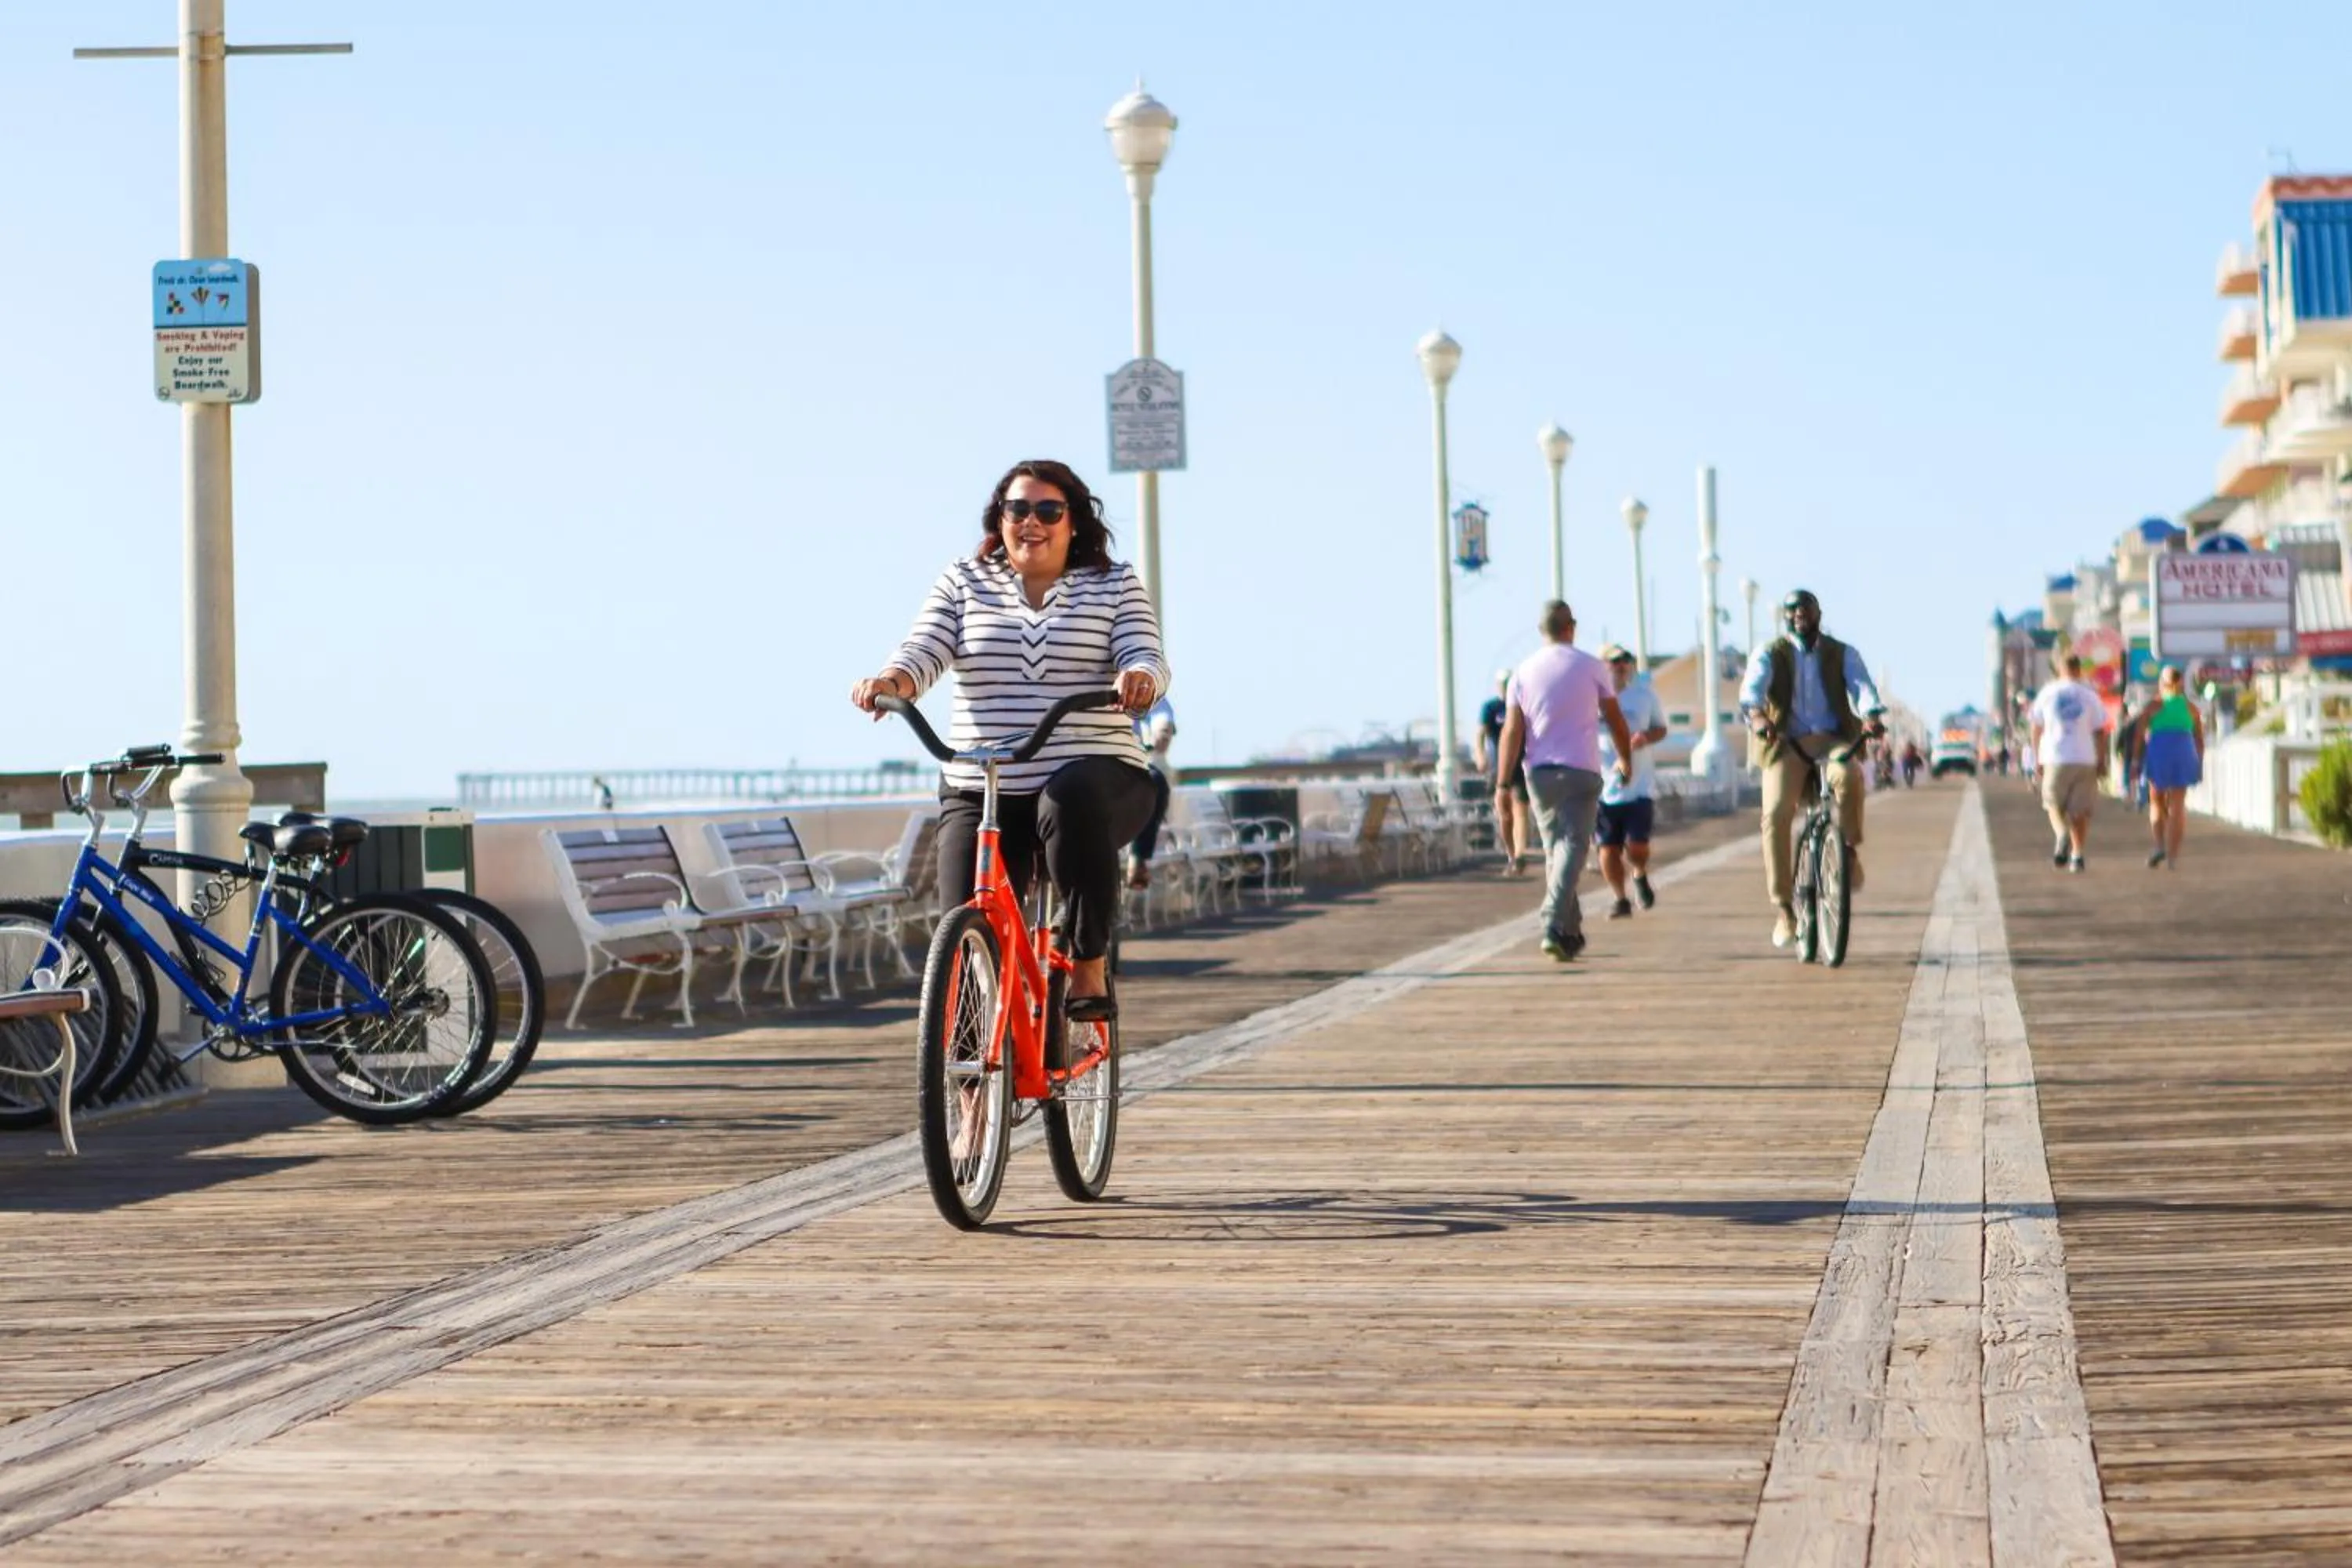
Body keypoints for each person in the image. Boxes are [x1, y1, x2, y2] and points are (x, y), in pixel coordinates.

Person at [851, 458, 1166, 1017]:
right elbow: (924, 649)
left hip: (1096, 775)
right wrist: (892, 682)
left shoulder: (1114, 584)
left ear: (1074, 521)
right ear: (999, 519)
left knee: (1069, 797)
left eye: (1048, 510)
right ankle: (972, 1064)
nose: (1031, 522)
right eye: (1017, 509)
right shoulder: (963, 581)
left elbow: (1145, 654)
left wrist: (1138, 677)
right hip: (984, 784)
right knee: (964, 930)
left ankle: (1088, 962)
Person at [1738, 589, 1886, 949]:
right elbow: (1752, 692)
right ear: (1785, 617)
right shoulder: (1771, 653)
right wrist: (1758, 717)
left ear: (1818, 614)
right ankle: (1784, 908)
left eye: (1805, 610)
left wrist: (1870, 715)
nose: (1799, 616)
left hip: (1832, 739)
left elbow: (1862, 687)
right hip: (1786, 743)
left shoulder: (1841, 652)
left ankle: (1847, 849)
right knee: (1775, 814)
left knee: (1849, 776)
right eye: (1792, 611)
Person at [1494, 602, 1635, 962]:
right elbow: (1615, 719)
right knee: (1572, 845)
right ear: (1571, 627)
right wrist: (1625, 758)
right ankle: (1553, 922)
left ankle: (1569, 934)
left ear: (1542, 631)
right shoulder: (1592, 666)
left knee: (1555, 849)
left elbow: (1512, 730)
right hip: (1582, 770)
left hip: (1539, 774)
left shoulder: (1522, 672)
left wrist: (1502, 783)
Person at [1594, 644, 1668, 920]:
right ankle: (1620, 898)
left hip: (1639, 786)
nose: (1621, 666)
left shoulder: (1644, 696)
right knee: (1608, 848)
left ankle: (1639, 872)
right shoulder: (1589, 699)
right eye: (1614, 662)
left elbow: (1661, 729)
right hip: (1603, 787)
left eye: (1625, 661)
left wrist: (1645, 737)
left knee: (1637, 845)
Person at [2028, 652, 2111, 873]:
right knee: (2080, 811)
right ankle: (2077, 855)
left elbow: (2036, 727)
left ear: (2059, 669)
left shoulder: (2048, 693)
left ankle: (2061, 834)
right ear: (2079, 669)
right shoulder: (2090, 695)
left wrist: (2036, 757)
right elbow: (2100, 731)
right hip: (2085, 758)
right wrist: (2102, 760)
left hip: (2055, 756)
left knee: (2052, 803)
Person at [2128, 665, 2204, 869]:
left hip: (2159, 752)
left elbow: (2138, 737)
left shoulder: (2154, 706)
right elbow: (2199, 739)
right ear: (2181, 683)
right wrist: (2199, 763)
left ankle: (2160, 845)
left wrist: (2135, 762)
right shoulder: (2191, 708)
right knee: (2178, 805)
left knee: (2156, 800)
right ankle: (2173, 857)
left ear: (2162, 684)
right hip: (2184, 751)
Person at [1476, 671, 1530, 875]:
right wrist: (1480, 756)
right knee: (1504, 813)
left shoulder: (1523, 705)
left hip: (1521, 763)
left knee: (1520, 809)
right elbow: (1480, 734)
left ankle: (1520, 854)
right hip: (1498, 765)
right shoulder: (1491, 707)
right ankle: (1511, 853)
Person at [1126, 697, 1176, 889]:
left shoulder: (1123, 675)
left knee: (1156, 782)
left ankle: (1138, 857)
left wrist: (1162, 727)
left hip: (1126, 757)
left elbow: (1157, 705)